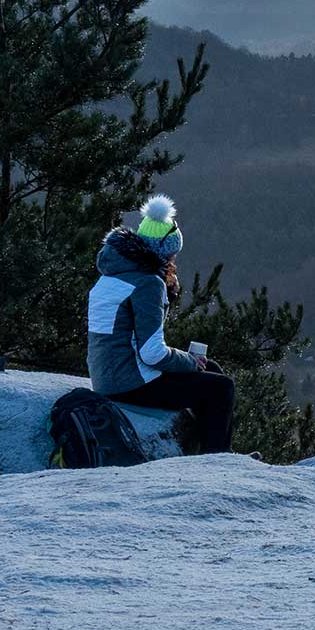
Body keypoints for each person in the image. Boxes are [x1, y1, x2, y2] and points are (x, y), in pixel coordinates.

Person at [86, 193, 236, 454]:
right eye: (172, 255)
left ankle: (208, 448)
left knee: (211, 368)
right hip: (129, 383)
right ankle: (216, 460)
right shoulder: (148, 283)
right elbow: (151, 353)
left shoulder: (112, 273)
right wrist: (188, 361)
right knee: (222, 388)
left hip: (107, 376)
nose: (173, 262)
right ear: (163, 254)